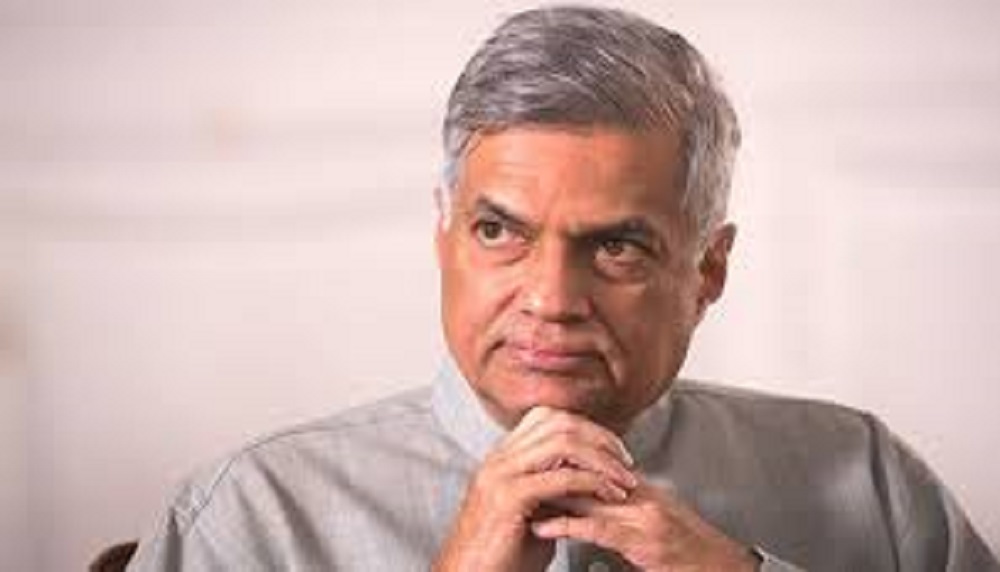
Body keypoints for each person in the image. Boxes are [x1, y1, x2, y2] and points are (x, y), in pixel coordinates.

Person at [129, 5, 998, 571]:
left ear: (708, 271)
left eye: (617, 246)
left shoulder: (870, 486)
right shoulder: (250, 517)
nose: (548, 298)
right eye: (499, 231)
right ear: (444, 236)